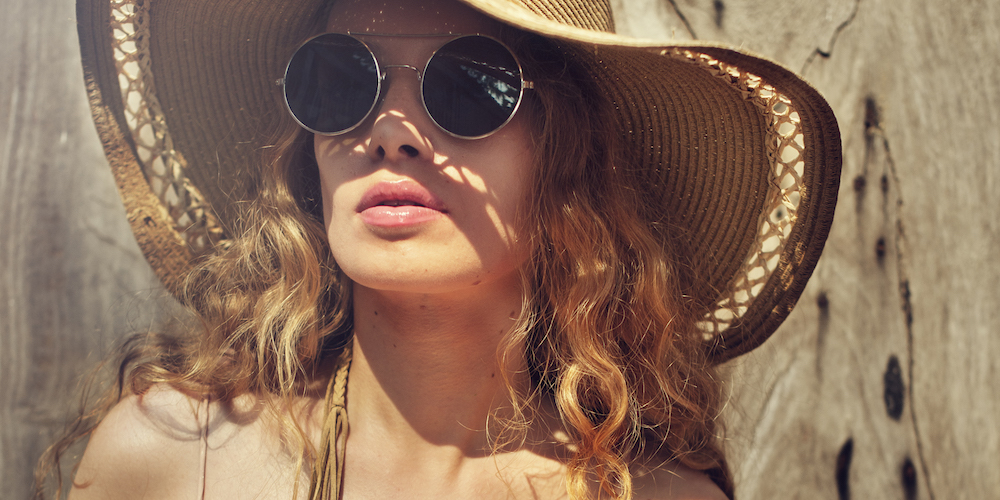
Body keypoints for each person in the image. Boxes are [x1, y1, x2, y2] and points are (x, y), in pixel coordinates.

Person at [37, 0, 842, 498]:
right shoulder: (173, 463)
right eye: (340, 81)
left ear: (568, 156)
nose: (388, 131)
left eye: (468, 85)